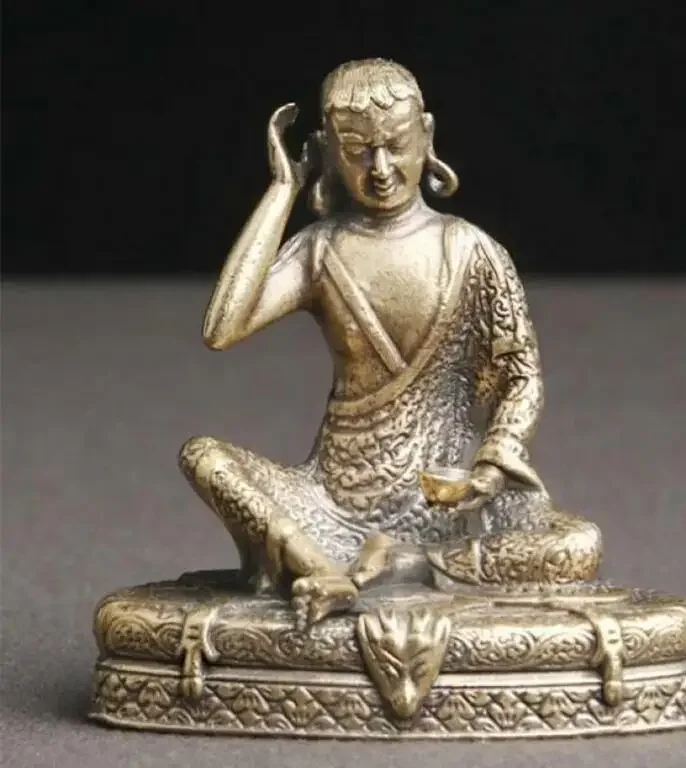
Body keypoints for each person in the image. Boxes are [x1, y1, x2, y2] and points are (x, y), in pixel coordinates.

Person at [179, 59, 601, 628]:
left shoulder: (470, 250)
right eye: (357, 152)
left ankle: (399, 567)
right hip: (328, 510)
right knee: (205, 457)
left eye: (396, 145)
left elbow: (521, 376)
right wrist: (282, 190)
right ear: (329, 153)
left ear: (426, 134)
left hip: (445, 515)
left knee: (577, 545)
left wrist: (493, 461)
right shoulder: (320, 250)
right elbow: (222, 328)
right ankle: (325, 571)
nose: (380, 168)